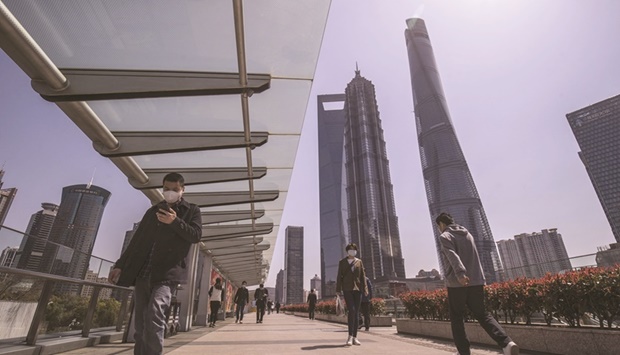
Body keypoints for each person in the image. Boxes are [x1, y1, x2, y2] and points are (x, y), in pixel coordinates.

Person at [108, 172, 202, 355]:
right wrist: (119, 265)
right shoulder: (153, 212)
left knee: (154, 315)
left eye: (175, 189)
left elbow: (196, 236)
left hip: (167, 275)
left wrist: (175, 221)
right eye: (166, 189)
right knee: (141, 324)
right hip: (143, 272)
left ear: (183, 190)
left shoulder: (192, 210)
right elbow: (136, 241)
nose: (170, 193)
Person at [436, 212, 519, 355]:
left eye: (438, 226)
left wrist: (461, 274)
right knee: (482, 314)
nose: (439, 229)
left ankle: (463, 352)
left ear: (441, 224)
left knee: (457, 317)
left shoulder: (445, 236)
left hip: (458, 283)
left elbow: (452, 255)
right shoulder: (468, 235)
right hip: (477, 281)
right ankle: (507, 343)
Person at [336, 243, 367, 346]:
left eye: (354, 249)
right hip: (347, 288)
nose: (352, 251)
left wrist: (365, 288)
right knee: (352, 311)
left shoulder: (359, 262)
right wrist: (338, 289)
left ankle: (355, 337)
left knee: (357, 312)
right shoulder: (342, 262)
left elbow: (363, 276)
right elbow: (339, 276)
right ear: (347, 251)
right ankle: (349, 336)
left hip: (358, 289)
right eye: (350, 249)